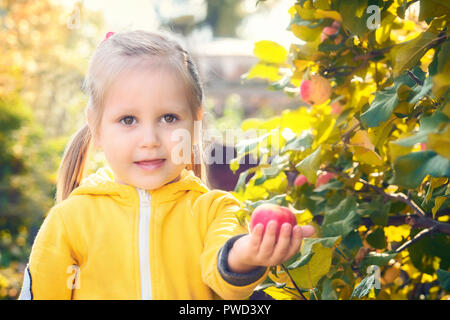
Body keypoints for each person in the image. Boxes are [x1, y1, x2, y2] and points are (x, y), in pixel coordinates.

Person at [18, 30, 315, 300]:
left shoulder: (214, 211)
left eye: (169, 118)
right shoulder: (69, 222)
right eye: (128, 120)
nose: (150, 140)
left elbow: (222, 267)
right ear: (96, 128)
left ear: (196, 125)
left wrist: (249, 253)